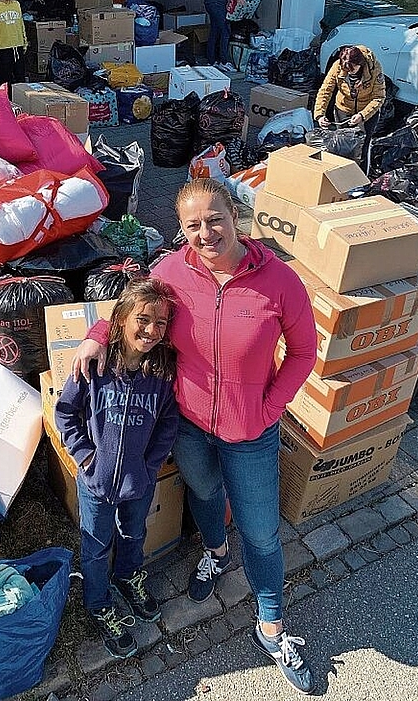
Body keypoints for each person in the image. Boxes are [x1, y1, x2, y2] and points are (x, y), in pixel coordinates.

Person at [73, 178, 318, 694]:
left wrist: (269, 409)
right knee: (205, 495)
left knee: (261, 530)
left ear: (235, 217)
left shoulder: (279, 282)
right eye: (192, 225)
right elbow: (126, 307)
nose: (205, 233)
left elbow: (302, 353)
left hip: (251, 431)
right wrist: (96, 338)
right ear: (181, 229)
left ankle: (272, 622)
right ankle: (214, 550)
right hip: (187, 426)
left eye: (214, 219)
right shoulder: (173, 271)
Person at [55, 278, 179, 660]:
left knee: (134, 533)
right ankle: (98, 602)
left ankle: (127, 576)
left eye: (160, 324)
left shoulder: (161, 375)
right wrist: (85, 456)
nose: (151, 331)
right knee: (94, 546)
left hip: (138, 482)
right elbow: (65, 413)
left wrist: (149, 466)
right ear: (121, 319)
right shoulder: (95, 366)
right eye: (143, 319)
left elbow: (167, 424)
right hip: (95, 482)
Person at [313, 44, 386, 173]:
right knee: (342, 144)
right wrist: (319, 114)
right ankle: (341, 175)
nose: (349, 72)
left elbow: (379, 97)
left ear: (361, 64)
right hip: (343, 109)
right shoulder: (337, 67)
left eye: (352, 69)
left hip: (366, 113)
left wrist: (362, 115)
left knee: (362, 147)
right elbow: (325, 90)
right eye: (346, 69)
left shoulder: (375, 68)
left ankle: (361, 177)